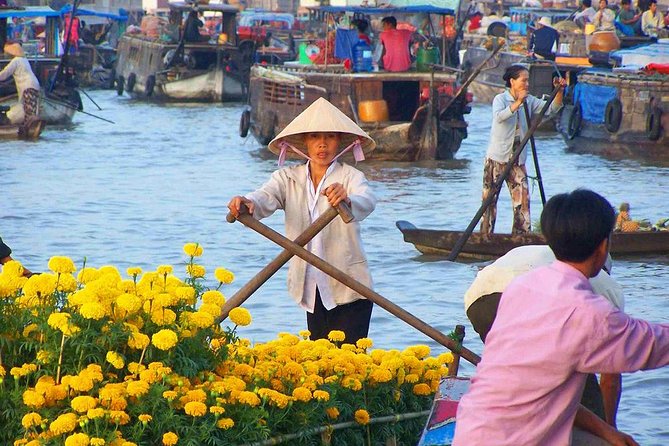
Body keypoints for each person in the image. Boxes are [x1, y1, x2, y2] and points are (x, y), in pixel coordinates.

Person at [453, 188, 669, 445]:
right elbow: (653, 345)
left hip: (471, 430)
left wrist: (608, 431)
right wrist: (610, 425)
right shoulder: (590, 312)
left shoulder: (524, 287)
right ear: (603, 246)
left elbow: (539, 390)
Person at [227, 97, 377, 344]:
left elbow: (368, 200)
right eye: (315, 137)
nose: (322, 145)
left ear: (339, 141)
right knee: (319, 361)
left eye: (329, 137)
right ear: (305, 142)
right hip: (312, 287)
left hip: (351, 287)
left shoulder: (350, 177)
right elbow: (266, 196)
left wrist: (347, 200)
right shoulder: (288, 178)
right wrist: (247, 202)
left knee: (351, 365)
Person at [464, 245, 624, 428]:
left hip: (479, 301)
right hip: (524, 299)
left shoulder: (546, 254)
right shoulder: (606, 287)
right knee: (583, 397)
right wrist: (609, 428)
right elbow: (610, 379)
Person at [480, 65, 565, 235]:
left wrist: (560, 91)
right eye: (523, 80)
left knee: (523, 201)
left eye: (528, 80)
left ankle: (521, 237)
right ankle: (485, 236)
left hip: (517, 160)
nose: (527, 84)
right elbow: (499, 117)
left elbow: (551, 109)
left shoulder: (530, 100)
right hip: (497, 159)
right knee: (489, 202)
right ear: (512, 81)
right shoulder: (501, 99)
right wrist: (517, 103)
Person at [0, 42, 41, 125]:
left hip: (28, 87)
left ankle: (28, 130)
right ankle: (30, 129)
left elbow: (4, 75)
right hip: (34, 85)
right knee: (31, 110)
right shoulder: (24, 60)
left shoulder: (16, 61)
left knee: (29, 112)